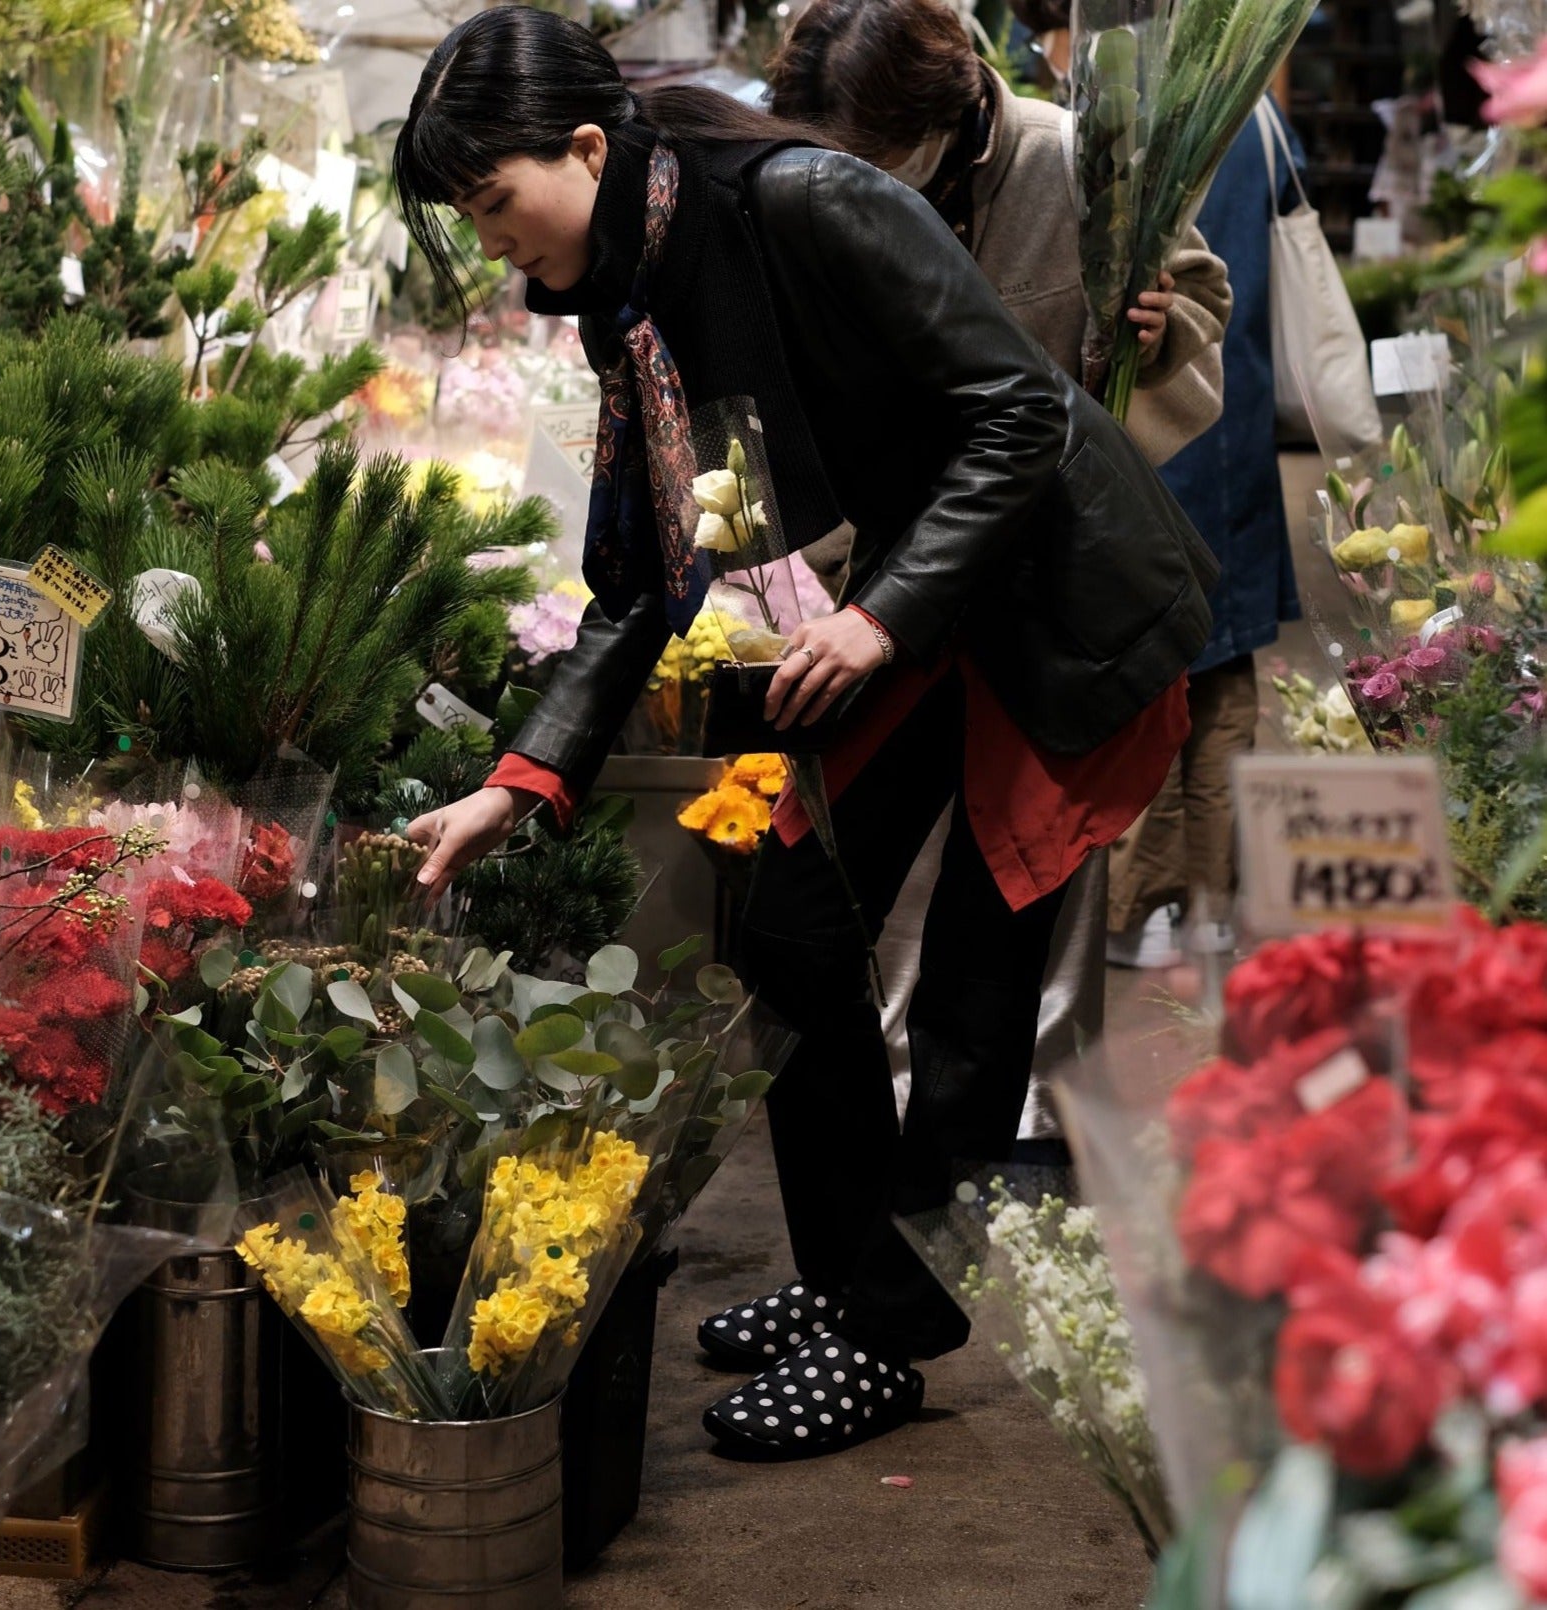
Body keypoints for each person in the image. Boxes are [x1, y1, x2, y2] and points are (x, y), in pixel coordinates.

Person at [394, 6, 1217, 1459]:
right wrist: (516, 783)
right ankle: (846, 1269)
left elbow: (1020, 419)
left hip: (1052, 617)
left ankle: (889, 1328)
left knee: (970, 1001)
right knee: (788, 928)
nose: (490, 239)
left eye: (491, 201)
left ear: (584, 148)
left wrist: (877, 619)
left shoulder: (807, 200)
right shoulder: (634, 299)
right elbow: (640, 578)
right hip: (925, 607)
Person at [767, 0, 1230, 1161]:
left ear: (944, 117)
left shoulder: (1077, 164)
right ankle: (854, 1246)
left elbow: (1199, 312)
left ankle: (930, 1237)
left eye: (871, 161)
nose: (851, 183)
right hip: (898, 589)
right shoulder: (811, 184)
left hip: (1050, 594)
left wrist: (1155, 327)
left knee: (994, 933)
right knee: (808, 913)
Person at [1106, 103, 1306, 966]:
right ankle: (1215, 903)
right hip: (1241, 415)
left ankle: (1140, 907)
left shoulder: (1132, 109)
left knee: (1151, 677)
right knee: (1226, 681)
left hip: (1160, 424)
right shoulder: (1257, 110)